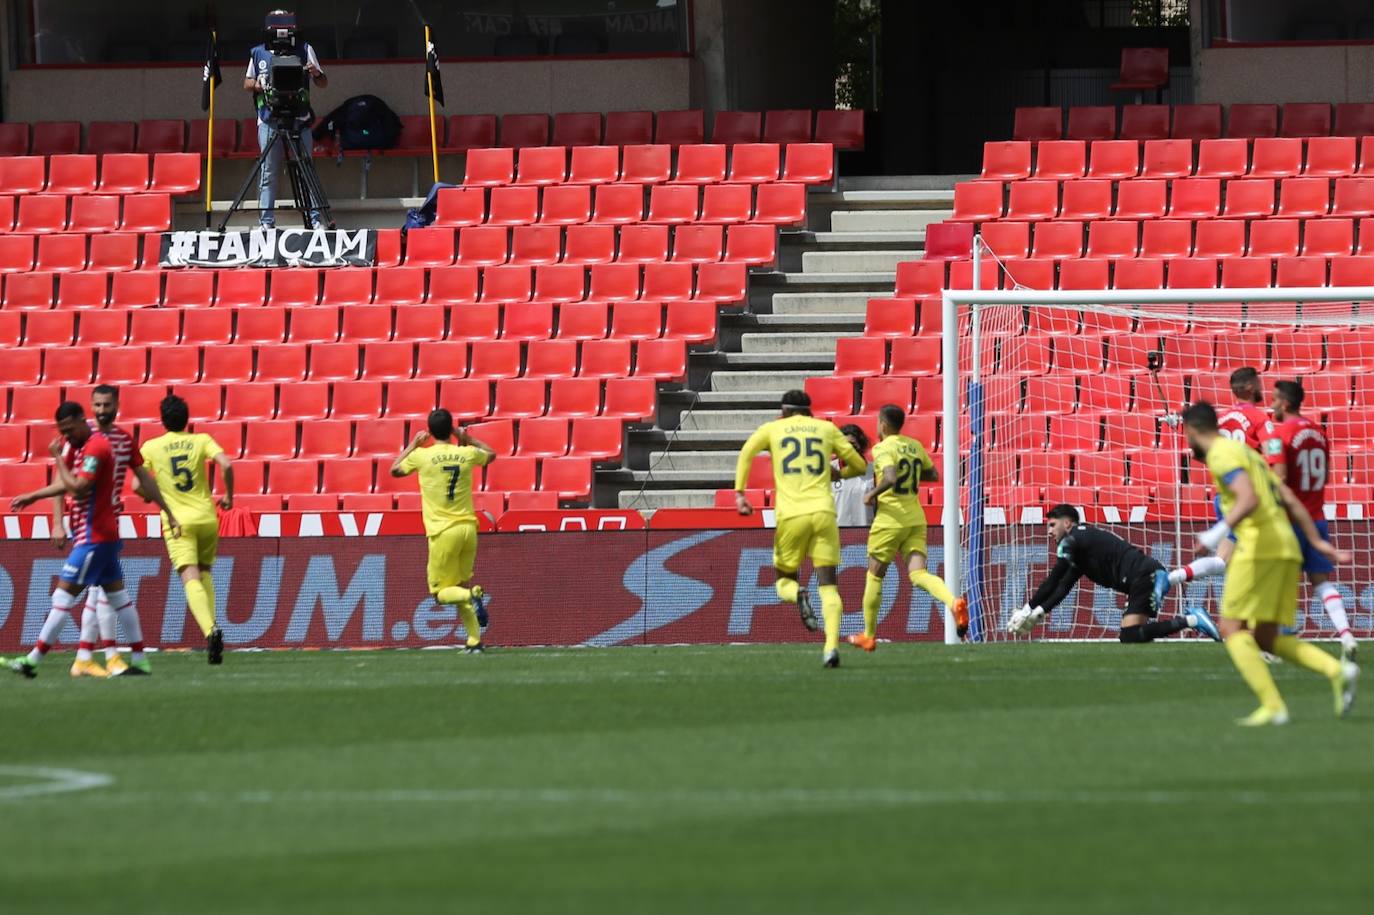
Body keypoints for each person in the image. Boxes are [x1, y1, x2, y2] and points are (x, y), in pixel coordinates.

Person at [1182, 401, 1358, 726]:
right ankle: (1338, 670)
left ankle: (1273, 705)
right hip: (1287, 546)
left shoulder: (1222, 454)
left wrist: (1214, 534)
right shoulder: (1252, 455)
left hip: (1258, 547)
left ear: (1191, 429)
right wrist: (1318, 542)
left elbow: (1248, 498)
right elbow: (1288, 497)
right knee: (1264, 635)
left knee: (1231, 628)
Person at [6, 403, 181, 679]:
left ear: (80, 420)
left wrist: (43, 481)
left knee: (62, 597)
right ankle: (139, 659)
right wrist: (41, 501)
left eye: (68, 429)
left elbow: (77, 486)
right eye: (61, 432)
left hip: (93, 537)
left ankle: (33, 660)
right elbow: (69, 484)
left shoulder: (96, 448)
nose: (66, 436)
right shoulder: (81, 446)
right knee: (119, 599)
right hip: (99, 535)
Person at [734, 390, 868, 668]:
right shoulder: (826, 428)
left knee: (783, 580)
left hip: (791, 516)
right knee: (830, 586)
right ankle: (831, 648)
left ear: (784, 411)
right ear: (808, 410)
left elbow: (747, 452)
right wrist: (840, 474)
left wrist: (740, 493)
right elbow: (858, 464)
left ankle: (798, 594)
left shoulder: (773, 429)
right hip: (823, 514)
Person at [847, 405, 968, 651]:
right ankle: (953, 602)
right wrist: (908, 475)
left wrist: (872, 493)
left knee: (874, 575)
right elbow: (933, 474)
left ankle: (869, 635)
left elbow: (890, 477)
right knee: (918, 574)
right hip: (915, 518)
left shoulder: (882, 449)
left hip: (890, 520)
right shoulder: (914, 446)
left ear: (882, 424)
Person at [1008, 504, 1220, 643]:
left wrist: (1028, 609)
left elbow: (1054, 578)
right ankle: (1192, 619)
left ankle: (1193, 620)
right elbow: (1063, 586)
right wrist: (1041, 611)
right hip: (1141, 578)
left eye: (1053, 525)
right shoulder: (1081, 549)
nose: (1049, 531)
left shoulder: (1072, 541)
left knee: (1130, 635)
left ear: (1067, 523)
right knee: (1131, 635)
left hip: (1144, 577)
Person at [136, 395, 233, 665]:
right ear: (187, 419)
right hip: (206, 518)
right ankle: (213, 627)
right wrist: (229, 497)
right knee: (205, 572)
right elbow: (226, 464)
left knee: (189, 576)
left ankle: (210, 631)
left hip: (178, 522)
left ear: (163, 420)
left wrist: (150, 497)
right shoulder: (200, 440)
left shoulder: (152, 447)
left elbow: (136, 485)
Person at [1264, 381, 1358, 660]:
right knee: (1321, 582)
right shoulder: (1319, 432)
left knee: (1280, 583)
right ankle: (1347, 636)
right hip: (1317, 517)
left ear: (1285, 403)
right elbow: (1325, 474)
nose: (1271, 405)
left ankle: (1279, 647)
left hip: (1289, 520)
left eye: (1274, 400)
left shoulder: (1278, 434)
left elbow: (1278, 478)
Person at [391, 409, 496, 653]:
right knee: (459, 585)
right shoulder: (465, 453)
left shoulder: (422, 456)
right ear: (451, 430)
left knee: (440, 594)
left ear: (429, 431)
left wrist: (412, 445)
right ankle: (474, 641)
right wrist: (467, 438)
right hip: (468, 528)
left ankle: (473, 594)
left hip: (442, 532)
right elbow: (491, 454)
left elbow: (394, 470)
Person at [1168, 366, 1273, 587]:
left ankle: (1173, 577)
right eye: (1260, 382)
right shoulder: (1260, 418)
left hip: (1222, 497)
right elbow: (1273, 454)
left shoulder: (1220, 419)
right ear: (1251, 386)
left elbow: (1207, 456)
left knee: (1224, 560)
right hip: (1248, 498)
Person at [244, 9, 327, 228]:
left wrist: (315, 73)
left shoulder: (305, 49)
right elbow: (247, 83)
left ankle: (316, 220)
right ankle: (266, 222)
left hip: (299, 117)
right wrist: (259, 85)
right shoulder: (258, 53)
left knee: (307, 169)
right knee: (268, 171)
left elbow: (322, 82)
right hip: (269, 119)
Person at [831, 424, 872, 527]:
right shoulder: (829, 469)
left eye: (853, 444)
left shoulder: (874, 470)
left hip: (866, 532)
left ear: (861, 445)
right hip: (837, 533)